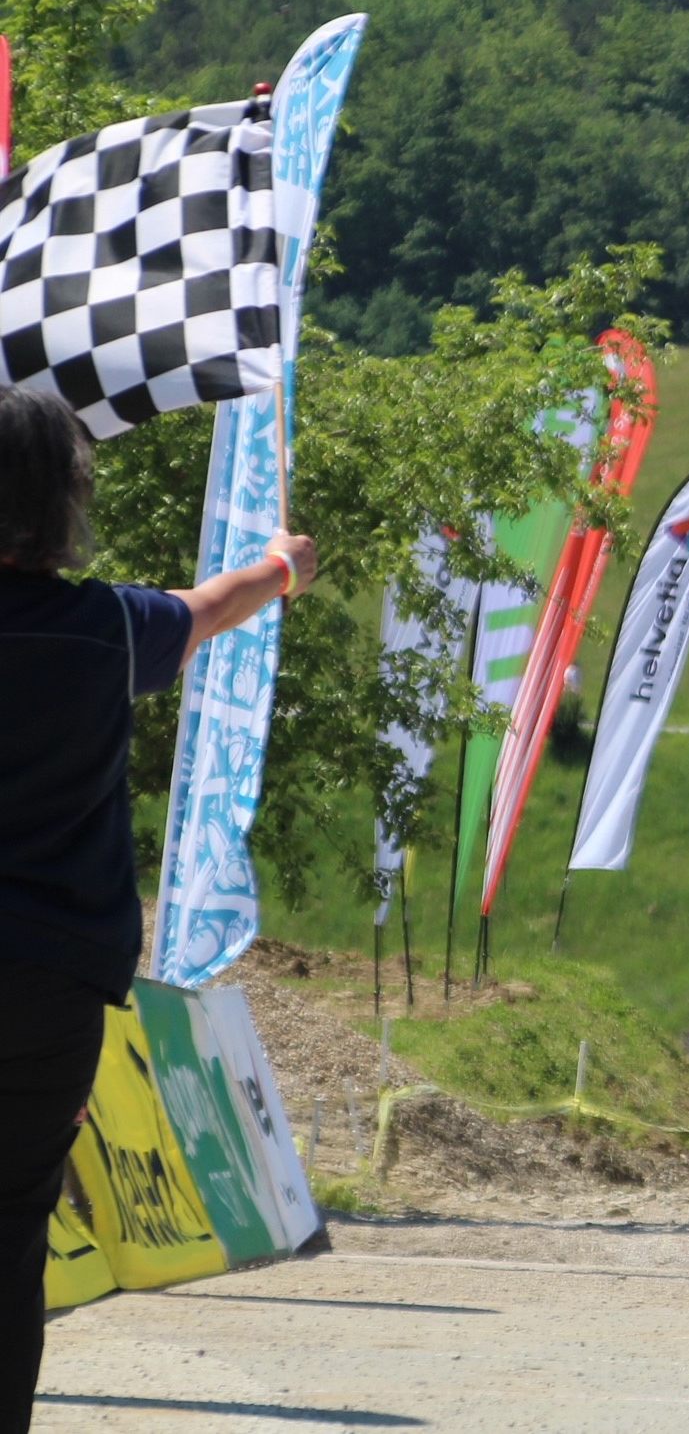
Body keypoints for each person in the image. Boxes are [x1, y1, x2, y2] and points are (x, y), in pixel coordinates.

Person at [0, 384, 318, 1433]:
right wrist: (282, 567)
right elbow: (211, 605)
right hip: (50, 991)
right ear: (61, 502)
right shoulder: (103, 630)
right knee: (13, 1234)